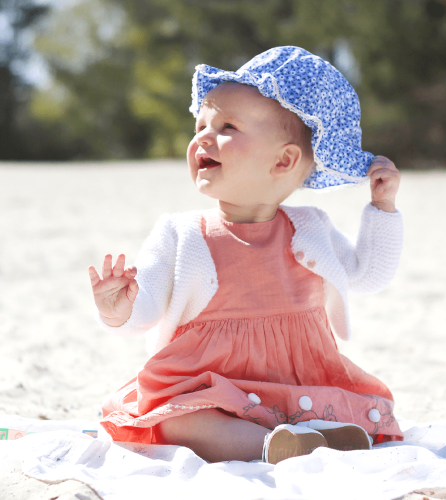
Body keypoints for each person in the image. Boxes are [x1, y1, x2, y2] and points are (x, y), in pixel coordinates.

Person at [89, 46, 404, 464]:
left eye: (227, 126)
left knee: (339, 407)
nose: (202, 136)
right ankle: (274, 445)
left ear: (284, 160)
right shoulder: (182, 234)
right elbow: (144, 310)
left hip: (293, 387)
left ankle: (311, 435)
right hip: (206, 388)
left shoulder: (310, 228)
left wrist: (383, 210)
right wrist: (119, 308)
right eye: (200, 124)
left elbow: (368, 275)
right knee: (174, 420)